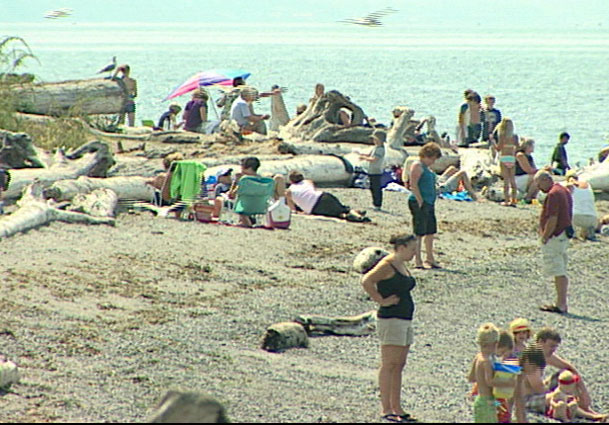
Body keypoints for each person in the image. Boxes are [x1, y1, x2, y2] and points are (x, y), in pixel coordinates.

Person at [361, 234, 419, 423]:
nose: (414, 252)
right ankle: (386, 408)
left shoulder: (401, 263)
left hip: (404, 318)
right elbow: (366, 281)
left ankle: (397, 406)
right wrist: (381, 301)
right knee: (389, 364)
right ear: (401, 247)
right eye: (412, 249)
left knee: (399, 364)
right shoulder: (387, 264)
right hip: (391, 318)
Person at [534, 170, 573, 314]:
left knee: (558, 269)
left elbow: (552, 218)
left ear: (545, 180)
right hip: (564, 234)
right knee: (560, 268)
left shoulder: (553, 194)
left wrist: (545, 236)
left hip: (556, 236)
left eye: (538, 184)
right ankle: (561, 302)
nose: (539, 188)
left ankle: (561, 304)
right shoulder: (563, 190)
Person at [404, 142, 442, 269]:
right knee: (419, 232)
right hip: (419, 202)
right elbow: (413, 185)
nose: (433, 161)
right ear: (426, 155)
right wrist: (420, 201)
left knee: (430, 231)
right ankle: (418, 260)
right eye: (432, 158)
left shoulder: (427, 168)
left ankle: (430, 258)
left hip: (429, 202)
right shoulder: (417, 165)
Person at [467, 323, 514, 423]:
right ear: (495, 343)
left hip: (480, 399)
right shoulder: (487, 361)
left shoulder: (478, 357)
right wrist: (509, 382)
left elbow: (471, 377)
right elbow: (490, 382)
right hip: (487, 401)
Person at [285, 170, 369, 222]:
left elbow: (293, 209)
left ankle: (357, 217)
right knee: (344, 209)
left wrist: (301, 212)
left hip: (314, 207)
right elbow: (312, 191)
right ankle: (356, 213)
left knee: (340, 214)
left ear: (291, 181)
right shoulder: (308, 181)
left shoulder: (289, 191)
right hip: (323, 196)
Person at [227, 156, 285, 227]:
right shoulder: (264, 181)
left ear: (246, 167)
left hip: (244, 207)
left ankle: (245, 221)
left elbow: (231, 195)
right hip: (261, 207)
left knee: (242, 201)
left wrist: (234, 183)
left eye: (241, 165)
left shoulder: (244, 180)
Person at [145, 152, 185, 217]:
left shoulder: (162, 177)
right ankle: (178, 215)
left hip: (165, 201)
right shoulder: (183, 178)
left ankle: (156, 212)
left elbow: (155, 183)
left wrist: (149, 182)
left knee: (156, 193)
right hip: (179, 204)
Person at [564, 171, 599, 241]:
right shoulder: (588, 185)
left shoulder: (570, 185)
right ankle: (588, 232)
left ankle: (572, 234)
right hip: (593, 218)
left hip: (576, 217)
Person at [359, 129, 386, 211]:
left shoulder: (380, 149)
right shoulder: (375, 147)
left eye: (375, 139)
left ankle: (377, 204)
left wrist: (364, 158)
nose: (373, 140)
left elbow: (374, 159)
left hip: (376, 171)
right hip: (372, 170)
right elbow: (369, 155)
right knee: (372, 187)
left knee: (376, 188)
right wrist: (361, 154)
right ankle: (375, 203)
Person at [495, 118, 518, 206]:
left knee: (506, 181)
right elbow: (518, 147)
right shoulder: (514, 137)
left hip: (504, 158)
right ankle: (514, 200)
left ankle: (507, 200)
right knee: (512, 180)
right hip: (511, 158)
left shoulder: (502, 136)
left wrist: (493, 142)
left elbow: (498, 148)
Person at [514, 138, 540, 203]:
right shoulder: (520, 155)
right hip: (517, 179)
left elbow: (534, 170)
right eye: (532, 145)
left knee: (540, 177)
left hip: (525, 178)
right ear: (528, 146)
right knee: (536, 177)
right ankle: (528, 197)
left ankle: (533, 197)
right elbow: (529, 170)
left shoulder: (530, 157)